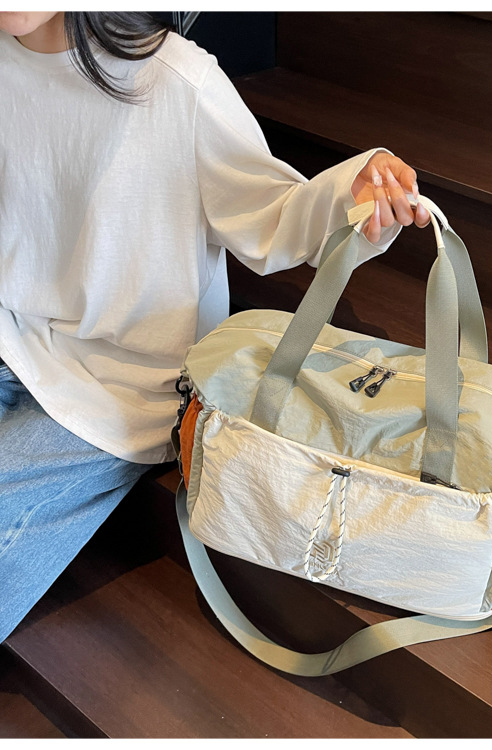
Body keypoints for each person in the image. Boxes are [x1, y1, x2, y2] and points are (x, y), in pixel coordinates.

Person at [0, 11, 431, 643]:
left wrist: (355, 192)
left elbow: (276, 216)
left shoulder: (177, 82)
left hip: (126, 385)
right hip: (15, 334)